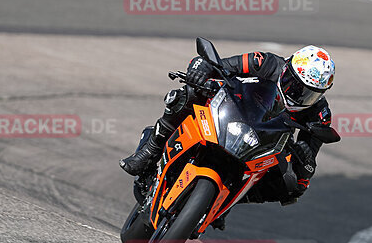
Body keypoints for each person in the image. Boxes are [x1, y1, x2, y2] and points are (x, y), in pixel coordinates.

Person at [120, 44, 338, 210]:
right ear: (287, 69)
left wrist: (304, 156)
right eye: (296, 85)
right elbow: (221, 67)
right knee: (187, 93)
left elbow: (307, 168)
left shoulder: (320, 113)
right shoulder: (264, 62)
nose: (298, 95)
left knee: (293, 186)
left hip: (266, 142)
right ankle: (151, 150)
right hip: (233, 111)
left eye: (309, 93)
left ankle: (226, 202)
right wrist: (202, 67)